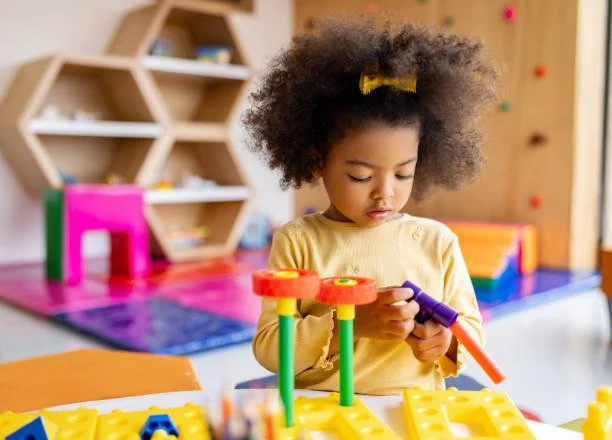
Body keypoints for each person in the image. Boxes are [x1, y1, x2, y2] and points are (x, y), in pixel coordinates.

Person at [243, 15, 497, 395]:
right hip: (323, 412)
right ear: (317, 163)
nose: (385, 193)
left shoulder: (436, 241)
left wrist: (445, 343)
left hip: (414, 413)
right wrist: (351, 323)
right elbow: (269, 349)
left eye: (403, 174)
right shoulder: (298, 241)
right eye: (361, 177)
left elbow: (470, 332)